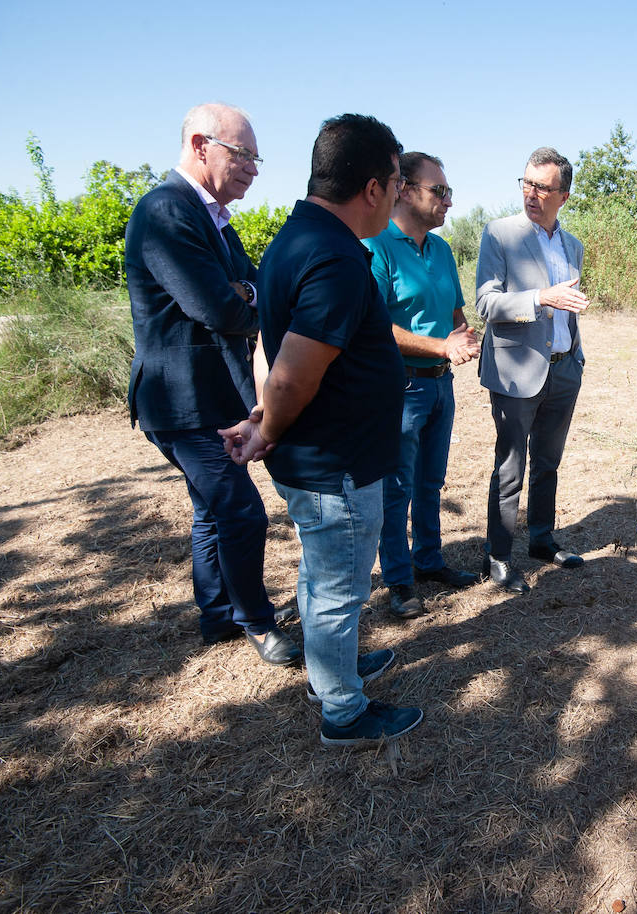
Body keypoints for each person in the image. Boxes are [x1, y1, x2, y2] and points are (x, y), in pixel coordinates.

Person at [220, 113, 421, 749]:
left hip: (323, 455)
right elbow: (291, 375)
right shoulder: (332, 257)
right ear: (370, 188)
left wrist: (262, 422)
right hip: (337, 463)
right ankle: (344, 710)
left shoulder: (295, 238)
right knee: (339, 586)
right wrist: (266, 425)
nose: (399, 195)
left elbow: (271, 349)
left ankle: (328, 669)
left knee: (320, 575)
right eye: (395, 182)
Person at [124, 102, 299, 666]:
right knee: (241, 510)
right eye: (243, 154)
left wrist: (245, 293)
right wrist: (245, 295)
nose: (254, 168)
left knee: (210, 508)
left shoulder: (213, 219)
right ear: (202, 146)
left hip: (209, 395)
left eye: (256, 156)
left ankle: (217, 616)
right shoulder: (165, 212)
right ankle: (256, 622)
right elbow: (222, 306)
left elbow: (250, 289)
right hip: (181, 402)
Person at [363, 152, 480, 619]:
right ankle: (398, 580)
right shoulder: (377, 246)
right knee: (397, 488)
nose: (448, 200)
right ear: (405, 190)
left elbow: (455, 313)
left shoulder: (442, 250)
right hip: (401, 387)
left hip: (440, 385)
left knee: (430, 481)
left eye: (448, 191)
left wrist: (464, 337)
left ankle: (429, 561)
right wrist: (442, 347)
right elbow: (375, 326)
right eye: (440, 191)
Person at [475, 147, 589, 594]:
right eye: (526, 183)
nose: (531, 193)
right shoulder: (499, 234)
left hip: (563, 371)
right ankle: (499, 556)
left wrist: (575, 356)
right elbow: (486, 302)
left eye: (543, 187)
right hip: (516, 373)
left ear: (563, 195)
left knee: (548, 462)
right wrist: (541, 298)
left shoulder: (572, 245)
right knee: (510, 465)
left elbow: (569, 310)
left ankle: (541, 539)